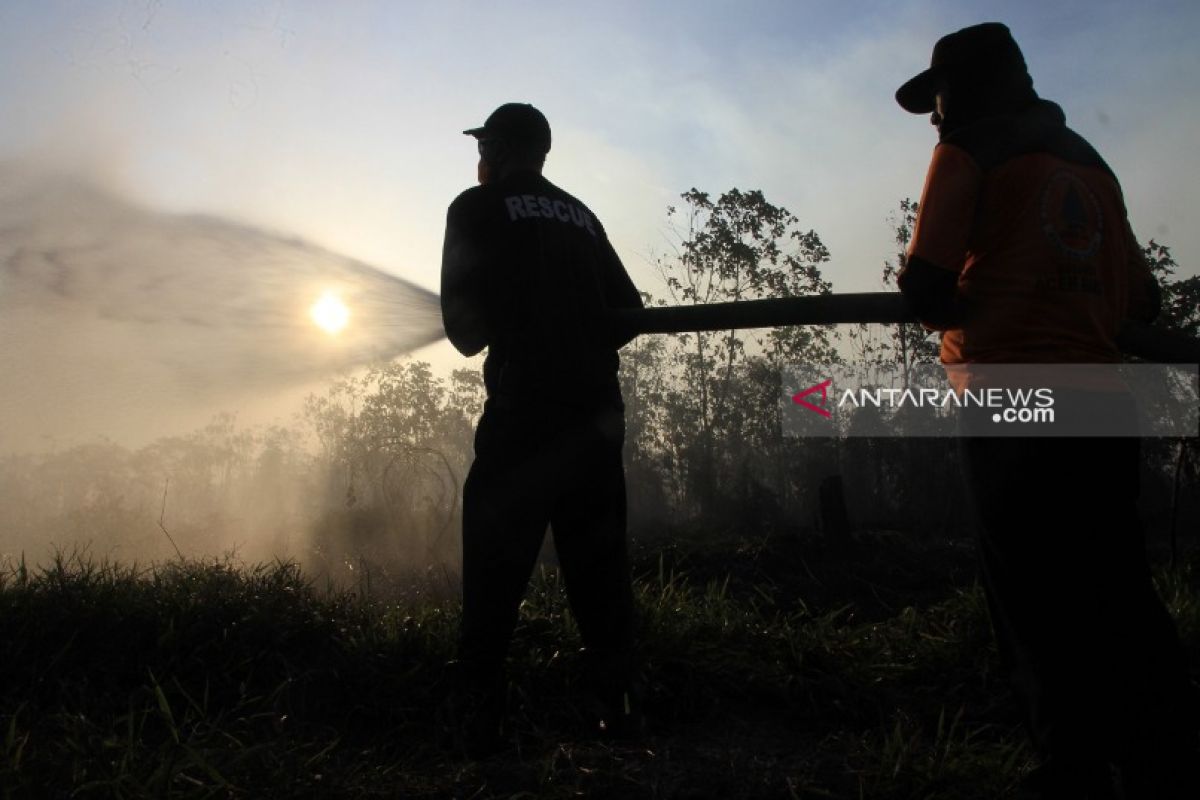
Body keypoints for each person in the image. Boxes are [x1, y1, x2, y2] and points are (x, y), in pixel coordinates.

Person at [895, 22, 1198, 799]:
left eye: (936, 98)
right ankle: (1163, 752)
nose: (933, 116)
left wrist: (969, 297)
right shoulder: (1091, 167)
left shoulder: (967, 151)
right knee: (1114, 584)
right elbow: (1146, 297)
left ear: (961, 92)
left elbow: (926, 286)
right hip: (1101, 403)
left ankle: (1074, 765)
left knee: (1031, 592)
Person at [439, 102, 644, 754]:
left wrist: (516, 313)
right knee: (600, 580)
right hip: (594, 423)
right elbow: (630, 313)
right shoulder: (582, 216)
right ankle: (620, 722)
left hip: (523, 424)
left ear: (496, 150)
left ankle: (478, 729)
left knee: (494, 581)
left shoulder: (475, 208)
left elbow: (465, 333)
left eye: (484, 147)